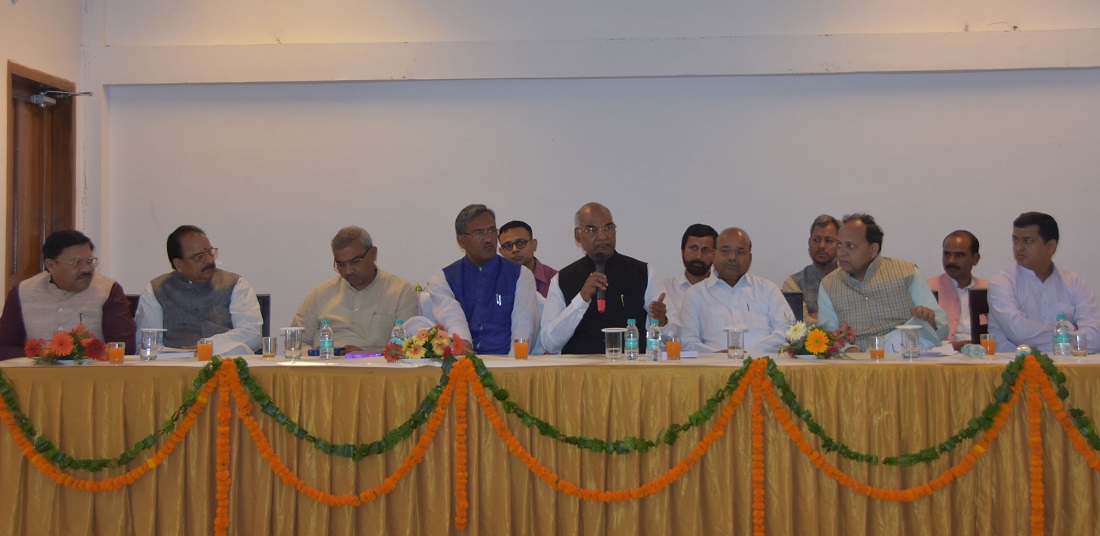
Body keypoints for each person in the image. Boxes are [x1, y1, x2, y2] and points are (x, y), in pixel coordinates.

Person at [540, 202, 669, 354]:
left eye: (608, 228)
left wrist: (662, 322)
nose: (602, 236)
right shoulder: (562, 279)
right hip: (579, 374)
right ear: (577, 235)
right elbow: (549, 343)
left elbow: (673, 338)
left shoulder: (644, 273)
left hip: (631, 371)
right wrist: (581, 299)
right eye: (591, 230)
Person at [818, 214, 947, 351]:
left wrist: (930, 321)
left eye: (850, 246)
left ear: (873, 249)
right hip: (856, 365)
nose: (841, 253)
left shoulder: (907, 273)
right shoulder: (829, 284)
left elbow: (942, 326)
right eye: (839, 244)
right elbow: (827, 335)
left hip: (903, 361)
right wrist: (848, 350)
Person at [0, 230, 136, 358]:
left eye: (90, 261)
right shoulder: (23, 292)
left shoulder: (108, 291)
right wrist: (44, 357)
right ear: (51, 265)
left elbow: (124, 348)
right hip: (35, 379)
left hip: (92, 378)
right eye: (76, 263)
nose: (86, 269)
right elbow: (5, 347)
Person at [135, 225, 262, 356]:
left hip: (224, 364)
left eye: (210, 252)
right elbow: (147, 345)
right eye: (199, 257)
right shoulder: (156, 290)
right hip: (176, 368)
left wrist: (209, 346)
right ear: (179, 264)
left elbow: (252, 333)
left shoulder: (236, 285)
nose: (209, 260)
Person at [428, 205, 538, 355]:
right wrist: (468, 360)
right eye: (479, 233)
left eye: (492, 231)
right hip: (463, 363)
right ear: (461, 240)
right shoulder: (443, 278)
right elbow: (453, 320)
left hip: (507, 364)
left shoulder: (520, 275)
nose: (488, 238)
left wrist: (511, 370)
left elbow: (523, 328)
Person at [292, 226, 418, 353]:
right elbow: (295, 341)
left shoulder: (400, 291)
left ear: (373, 254)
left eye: (355, 261)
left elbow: (408, 347)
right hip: (326, 366)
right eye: (341, 264)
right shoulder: (320, 294)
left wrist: (365, 354)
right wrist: (319, 354)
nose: (348, 271)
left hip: (374, 369)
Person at [988, 212, 1100, 353]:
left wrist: (1054, 342)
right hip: (1013, 369)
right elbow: (1019, 333)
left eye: (1028, 241)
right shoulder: (1002, 282)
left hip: (1068, 370)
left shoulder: (1075, 283)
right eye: (1015, 240)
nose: (1018, 248)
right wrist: (1072, 329)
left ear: (1050, 246)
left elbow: (1095, 337)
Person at [680, 228, 792, 354]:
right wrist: (717, 356)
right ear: (714, 254)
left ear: (749, 258)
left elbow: (788, 332)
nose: (732, 257)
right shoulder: (695, 294)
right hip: (714, 369)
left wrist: (748, 353)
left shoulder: (768, 289)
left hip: (765, 367)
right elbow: (687, 341)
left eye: (740, 252)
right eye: (725, 250)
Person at [928, 230, 989, 350]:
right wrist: (953, 347)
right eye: (946, 254)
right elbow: (922, 337)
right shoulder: (928, 289)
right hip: (944, 359)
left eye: (959, 255)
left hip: (983, 356)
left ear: (975, 259)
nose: (951, 261)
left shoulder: (989, 290)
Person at [782, 214, 840, 322]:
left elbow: (857, 318)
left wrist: (815, 316)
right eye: (817, 240)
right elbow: (799, 325)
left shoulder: (850, 278)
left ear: (839, 244)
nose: (821, 245)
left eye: (828, 240)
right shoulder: (794, 283)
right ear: (809, 243)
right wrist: (837, 320)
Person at [662, 224, 717, 328]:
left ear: (715, 254)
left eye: (705, 250)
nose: (698, 256)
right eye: (693, 248)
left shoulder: (723, 290)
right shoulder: (665, 289)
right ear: (682, 251)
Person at [498, 220, 558, 298]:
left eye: (520, 243)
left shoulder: (556, 279)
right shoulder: (493, 282)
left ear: (533, 244)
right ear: (501, 252)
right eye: (507, 245)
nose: (515, 249)